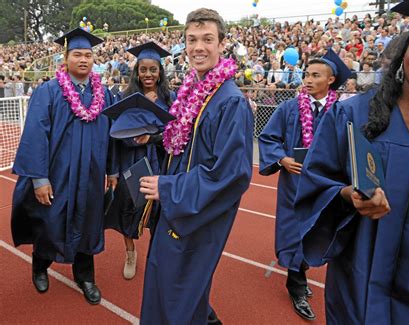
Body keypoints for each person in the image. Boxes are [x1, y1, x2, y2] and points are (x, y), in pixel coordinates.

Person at [294, 0, 409, 323]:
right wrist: (349, 195)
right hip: (358, 282)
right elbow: (315, 181)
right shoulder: (352, 114)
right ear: (406, 50)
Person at [138, 8, 253, 324]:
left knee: (180, 293)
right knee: (171, 285)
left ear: (222, 44)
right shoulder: (191, 91)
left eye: (207, 39)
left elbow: (233, 175)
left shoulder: (231, 101)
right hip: (175, 208)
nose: (198, 47)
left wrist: (168, 186)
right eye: (192, 40)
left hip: (200, 215)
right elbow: (183, 145)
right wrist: (154, 137)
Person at [10, 28, 116, 305]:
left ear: (95, 59)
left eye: (88, 55)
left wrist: (112, 169)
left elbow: (113, 133)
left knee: (89, 222)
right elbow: (35, 133)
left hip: (91, 175)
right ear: (66, 57)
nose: (83, 59)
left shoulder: (103, 94)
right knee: (50, 221)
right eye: (77, 54)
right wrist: (38, 179)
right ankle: (40, 268)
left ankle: (85, 277)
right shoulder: (48, 91)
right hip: (57, 175)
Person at [258, 49, 351, 321]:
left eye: (315, 75)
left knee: (320, 229)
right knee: (294, 231)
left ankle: (302, 274)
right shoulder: (289, 108)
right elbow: (269, 138)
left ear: (331, 80)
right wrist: (283, 159)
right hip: (294, 182)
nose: (307, 80)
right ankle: (296, 286)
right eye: (306, 74)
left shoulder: (342, 111)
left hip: (327, 184)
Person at [104, 42, 175, 280]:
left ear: (160, 72)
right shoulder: (125, 97)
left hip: (159, 162)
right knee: (127, 208)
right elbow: (115, 136)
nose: (148, 74)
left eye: (153, 69)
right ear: (136, 71)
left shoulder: (170, 98)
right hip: (130, 160)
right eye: (143, 69)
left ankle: (157, 255)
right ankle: (130, 252)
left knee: (159, 213)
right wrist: (112, 172)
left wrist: (152, 136)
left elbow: (177, 132)